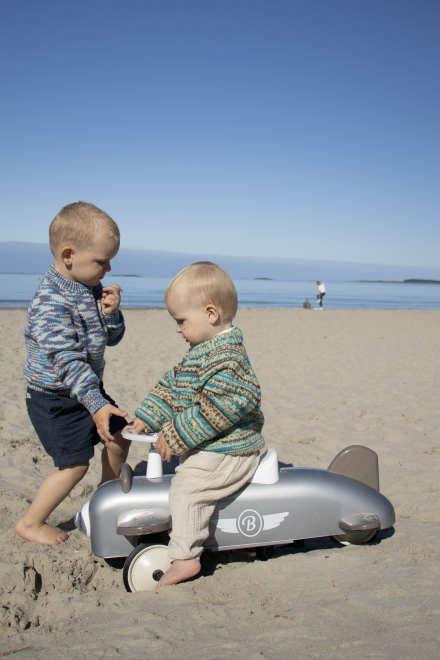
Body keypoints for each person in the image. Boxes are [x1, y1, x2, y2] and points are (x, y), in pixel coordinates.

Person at [126, 262, 265, 588]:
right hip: (214, 446)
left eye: (181, 321)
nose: (178, 329)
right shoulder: (200, 352)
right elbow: (173, 386)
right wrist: (148, 416)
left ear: (210, 314)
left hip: (231, 450)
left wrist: (174, 435)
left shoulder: (228, 359)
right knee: (183, 476)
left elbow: (217, 409)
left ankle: (185, 557)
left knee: (188, 488)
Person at [15, 202, 130, 545]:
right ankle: (31, 522)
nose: (108, 269)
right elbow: (66, 361)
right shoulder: (50, 301)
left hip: (87, 390)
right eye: (101, 261)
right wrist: (96, 403)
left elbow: (112, 338)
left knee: (120, 437)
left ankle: (105, 498)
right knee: (75, 465)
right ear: (69, 255)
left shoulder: (89, 289)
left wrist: (111, 313)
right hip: (54, 399)